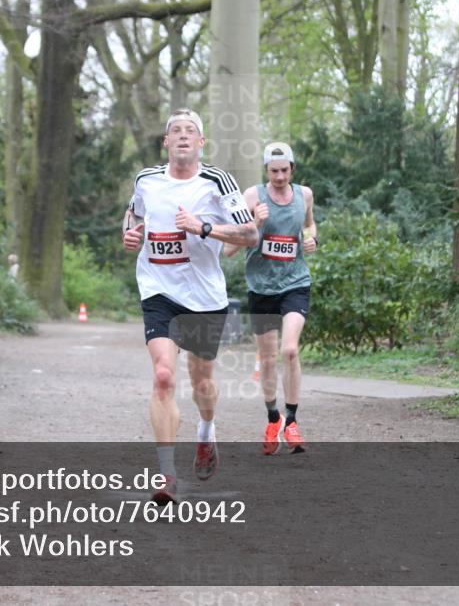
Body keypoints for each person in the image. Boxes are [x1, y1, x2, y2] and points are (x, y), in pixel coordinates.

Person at [123, 108, 258, 505]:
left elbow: (249, 232)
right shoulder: (146, 179)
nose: (183, 136)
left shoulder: (218, 181)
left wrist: (203, 227)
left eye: (191, 131)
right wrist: (130, 234)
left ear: (201, 142)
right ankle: (167, 473)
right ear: (165, 142)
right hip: (158, 291)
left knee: (202, 383)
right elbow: (134, 215)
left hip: (203, 298)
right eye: (175, 131)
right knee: (164, 376)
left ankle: (206, 430)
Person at [224, 142, 316, 455]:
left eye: (284, 171)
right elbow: (230, 247)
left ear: (292, 169)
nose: (279, 176)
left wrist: (311, 236)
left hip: (295, 282)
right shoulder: (251, 197)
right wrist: (255, 223)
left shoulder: (304, 195)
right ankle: (272, 417)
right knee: (268, 358)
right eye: (274, 171)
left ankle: (291, 421)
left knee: (289, 350)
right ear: (266, 171)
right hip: (261, 287)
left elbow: (309, 223)